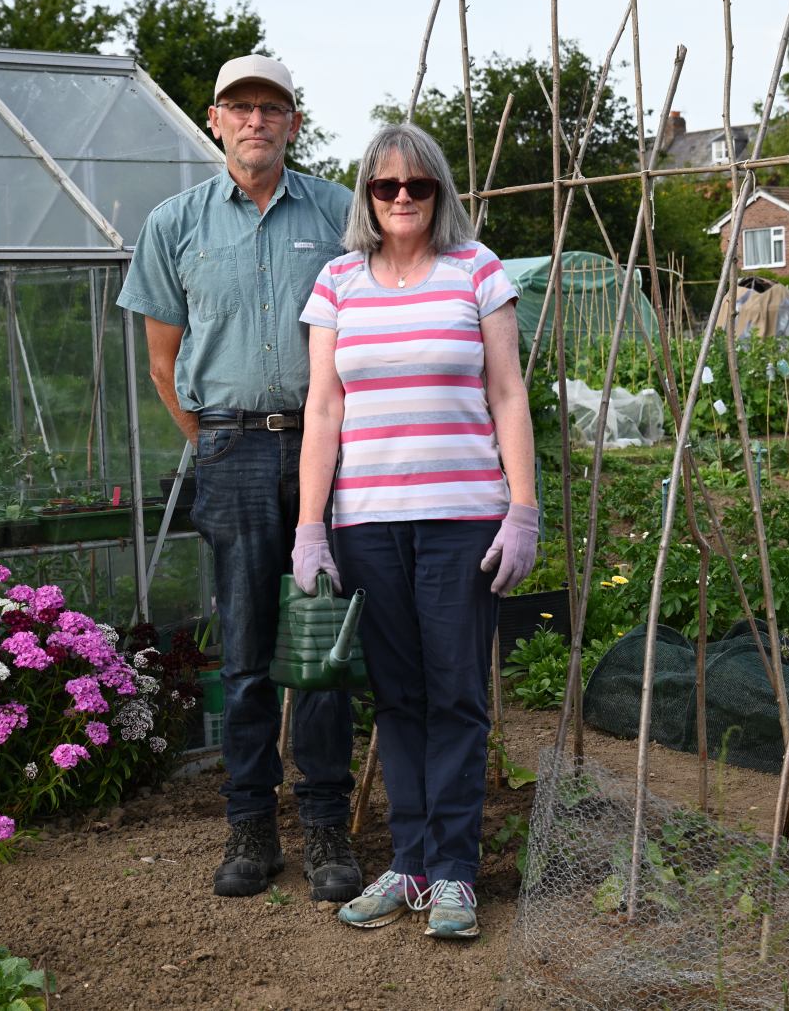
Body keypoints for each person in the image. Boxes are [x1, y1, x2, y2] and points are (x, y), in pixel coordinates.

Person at [117, 54, 363, 903]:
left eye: (272, 107)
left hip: (327, 449)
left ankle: (328, 823)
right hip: (231, 451)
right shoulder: (175, 223)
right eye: (240, 106)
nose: (256, 120)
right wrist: (216, 441)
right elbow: (161, 362)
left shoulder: (339, 212)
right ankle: (250, 826)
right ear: (214, 119)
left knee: (323, 645)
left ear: (294, 122)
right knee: (250, 650)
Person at [294, 123, 537, 940]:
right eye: (385, 186)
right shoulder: (336, 282)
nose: (402, 198)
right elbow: (324, 407)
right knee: (397, 698)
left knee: (458, 696)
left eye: (418, 186)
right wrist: (311, 527)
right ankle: (409, 866)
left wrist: (523, 506)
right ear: (365, 194)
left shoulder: (477, 270)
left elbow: (507, 393)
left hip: (462, 518)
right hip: (367, 523)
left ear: (439, 192)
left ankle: (456, 873)